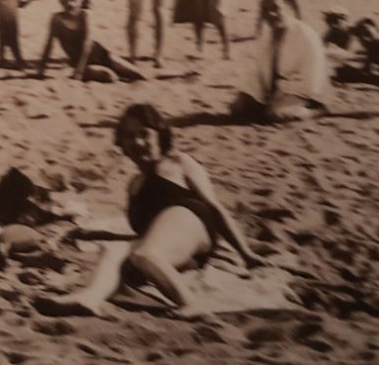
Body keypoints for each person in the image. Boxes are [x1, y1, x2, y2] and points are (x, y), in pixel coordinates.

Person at [36, 103, 261, 318]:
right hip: (170, 244)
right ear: (122, 144)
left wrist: (246, 254)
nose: (138, 142)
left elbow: (214, 206)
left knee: (145, 254)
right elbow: (147, 234)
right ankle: (90, 298)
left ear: (160, 135)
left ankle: (192, 303)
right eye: (129, 136)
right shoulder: (134, 185)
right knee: (114, 251)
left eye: (144, 134)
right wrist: (98, 235)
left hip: (193, 220)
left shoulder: (179, 162)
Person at [231, 0, 331, 123]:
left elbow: (313, 78)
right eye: (266, 10)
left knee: (275, 114)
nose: (271, 14)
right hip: (275, 92)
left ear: (287, 6)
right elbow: (259, 72)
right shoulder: (267, 34)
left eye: (276, 8)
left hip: (305, 92)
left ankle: (316, 112)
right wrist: (250, 93)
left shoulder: (305, 34)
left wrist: (282, 93)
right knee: (237, 108)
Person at [35, 0, 145, 83]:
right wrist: (41, 69)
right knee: (110, 77)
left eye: (74, 0)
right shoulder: (56, 19)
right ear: (61, 1)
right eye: (66, 0)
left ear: (81, 0)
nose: (70, 4)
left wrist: (79, 72)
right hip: (80, 62)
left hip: (101, 55)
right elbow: (48, 45)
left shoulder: (85, 15)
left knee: (137, 74)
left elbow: (87, 44)